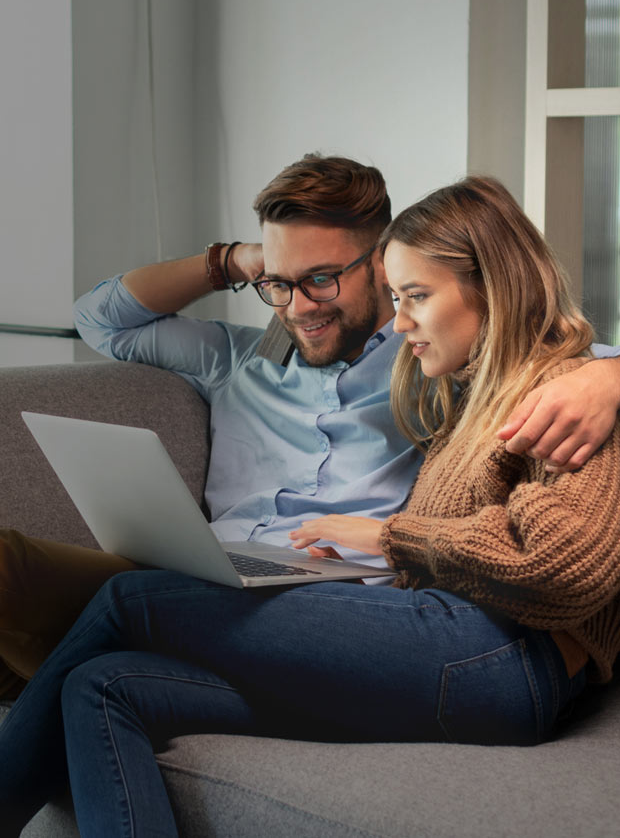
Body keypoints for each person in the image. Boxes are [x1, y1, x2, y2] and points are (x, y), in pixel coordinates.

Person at [2, 174, 619, 837]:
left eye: (414, 297)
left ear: (491, 288)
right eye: (398, 296)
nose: (401, 319)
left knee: (132, 598)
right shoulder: (460, 389)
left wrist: (393, 538)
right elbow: (104, 316)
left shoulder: (560, 390)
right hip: (444, 642)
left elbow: (565, 560)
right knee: (101, 683)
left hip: (507, 659)